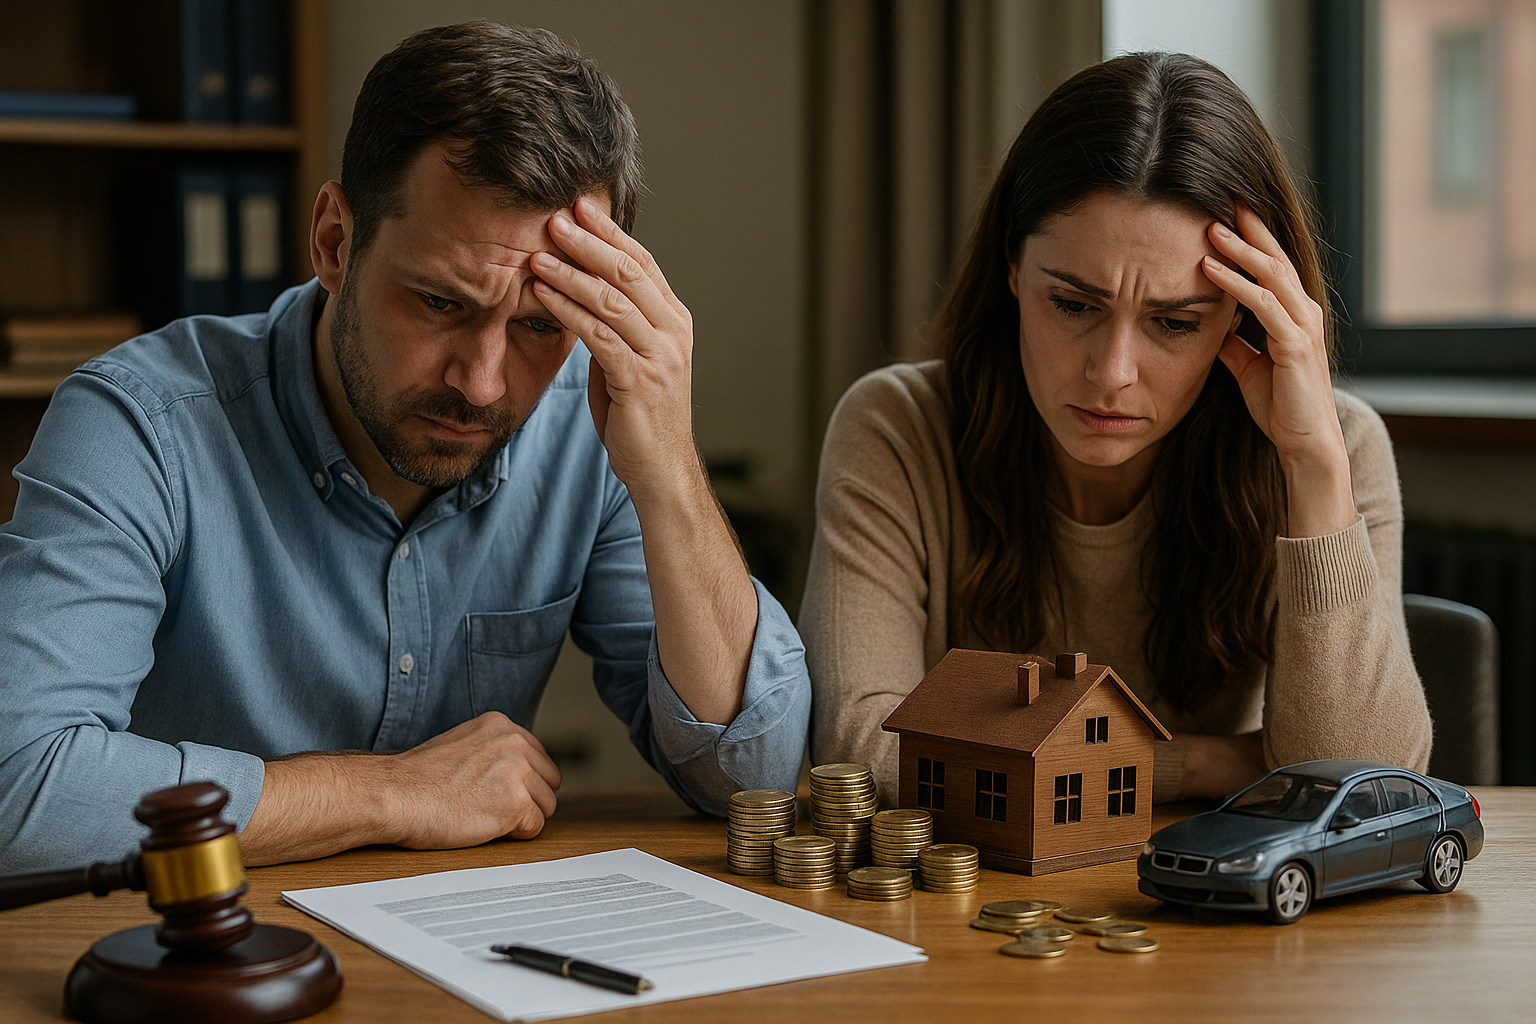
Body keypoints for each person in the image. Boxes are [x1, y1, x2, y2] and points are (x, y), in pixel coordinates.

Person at [0, 21, 810, 871]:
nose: (485, 384)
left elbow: (757, 782)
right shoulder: (138, 424)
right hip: (198, 963)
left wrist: (671, 469)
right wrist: (389, 791)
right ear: (334, 243)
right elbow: (21, 785)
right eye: (439, 303)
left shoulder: (588, 426)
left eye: (539, 325)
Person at [800, 52, 1431, 806]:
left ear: (1247, 314)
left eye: (1173, 322)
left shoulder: (1336, 449)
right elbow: (858, 754)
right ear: (1012, 265)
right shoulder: (898, 429)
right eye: (1073, 305)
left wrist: (1313, 463)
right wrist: (1215, 764)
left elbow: (1367, 789)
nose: (1111, 372)